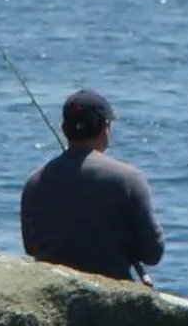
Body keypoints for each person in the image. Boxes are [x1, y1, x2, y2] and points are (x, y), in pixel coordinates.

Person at [21, 88, 165, 282]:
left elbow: (31, 247)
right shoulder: (129, 178)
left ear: (64, 129)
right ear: (105, 128)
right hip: (111, 296)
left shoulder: (34, 181)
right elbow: (152, 254)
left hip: (51, 290)